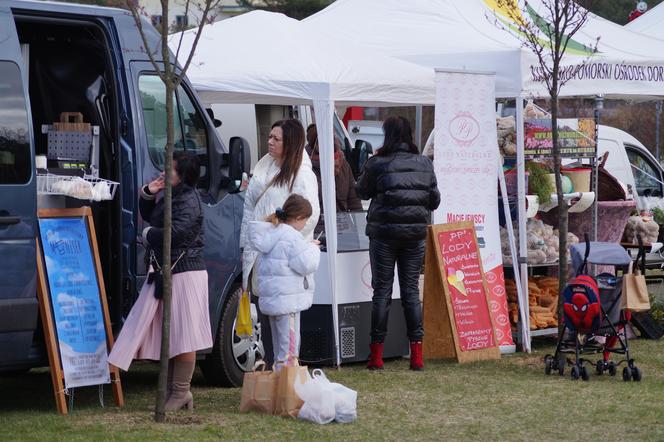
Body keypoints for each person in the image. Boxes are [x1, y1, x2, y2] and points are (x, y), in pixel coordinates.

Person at [108, 151, 212, 411]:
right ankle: (173, 392)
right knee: (172, 334)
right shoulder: (174, 195)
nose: (165, 171)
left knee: (183, 335)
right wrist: (148, 193)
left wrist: (147, 234)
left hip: (185, 272)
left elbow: (173, 234)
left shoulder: (189, 200)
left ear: (184, 175)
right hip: (170, 270)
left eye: (171, 169)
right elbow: (155, 217)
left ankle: (180, 392)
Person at [356, 116, 440, 371]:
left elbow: (362, 192)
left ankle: (376, 356)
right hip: (414, 236)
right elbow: (434, 200)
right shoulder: (425, 164)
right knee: (411, 292)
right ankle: (416, 356)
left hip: (383, 235)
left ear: (387, 135)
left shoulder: (377, 163)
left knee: (381, 291)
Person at [240, 119, 320, 354]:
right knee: (265, 317)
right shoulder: (265, 166)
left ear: (291, 143)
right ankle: (274, 376)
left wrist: (283, 242)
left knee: (286, 329)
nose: (270, 142)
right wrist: (246, 244)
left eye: (277, 138)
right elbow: (250, 211)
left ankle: (285, 377)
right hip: (261, 255)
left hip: (284, 262)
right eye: (270, 137)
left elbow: (309, 215)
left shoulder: (302, 175)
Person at [248, 194, 321, 366]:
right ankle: (288, 386)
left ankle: (279, 381)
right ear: (299, 218)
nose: (305, 226)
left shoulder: (272, 233)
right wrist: (312, 248)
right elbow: (306, 264)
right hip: (288, 303)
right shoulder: (292, 237)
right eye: (305, 221)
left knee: (279, 350)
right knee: (289, 350)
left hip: (273, 301)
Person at [310, 131, 363, 234]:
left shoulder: (344, 165)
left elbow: (354, 201)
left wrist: (361, 231)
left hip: (342, 231)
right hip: (316, 233)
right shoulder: (306, 166)